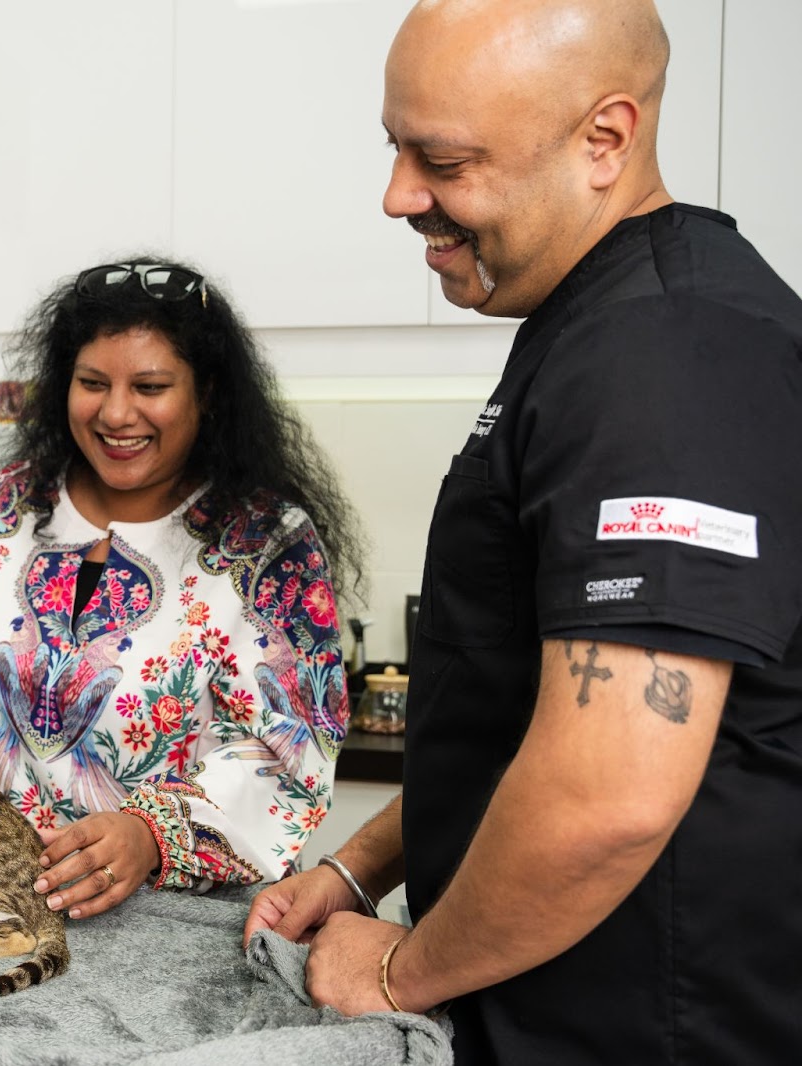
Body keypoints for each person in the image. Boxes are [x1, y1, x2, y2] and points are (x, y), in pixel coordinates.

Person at [243, 2, 802, 1062]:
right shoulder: (593, 328)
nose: (399, 195)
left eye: (442, 159)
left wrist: (399, 969)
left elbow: (608, 796)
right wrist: (362, 866)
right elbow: (520, 714)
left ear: (605, 139)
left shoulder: (666, 356)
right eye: (395, 147)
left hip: (644, 1024)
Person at [0, 259, 363, 921]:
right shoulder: (2, 507)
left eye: (150, 385)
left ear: (208, 394)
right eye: (91, 383)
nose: (115, 413)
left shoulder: (264, 543)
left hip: (172, 922)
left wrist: (151, 836)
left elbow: (284, 756)